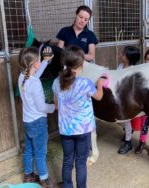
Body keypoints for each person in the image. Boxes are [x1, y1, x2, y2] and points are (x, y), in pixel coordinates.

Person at [52, 45, 104, 188]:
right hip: (83, 130)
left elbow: (56, 104)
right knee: (81, 162)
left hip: (65, 131)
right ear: (81, 65)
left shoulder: (56, 82)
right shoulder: (86, 83)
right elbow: (99, 97)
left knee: (68, 160)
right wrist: (100, 84)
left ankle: (67, 186)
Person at [18, 47, 55, 188]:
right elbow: (42, 107)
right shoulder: (35, 83)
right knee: (40, 152)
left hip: (27, 121)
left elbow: (34, 75)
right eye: (39, 59)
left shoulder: (22, 76)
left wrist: (45, 62)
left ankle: (28, 175)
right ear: (35, 63)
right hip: (38, 122)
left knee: (29, 150)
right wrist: (54, 107)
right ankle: (45, 180)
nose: (41, 60)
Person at [117, 46, 140, 154]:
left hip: (128, 100)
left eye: (123, 53)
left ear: (128, 58)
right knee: (121, 120)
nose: (121, 54)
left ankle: (128, 142)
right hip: (119, 98)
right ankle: (128, 132)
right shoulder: (120, 66)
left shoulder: (133, 71)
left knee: (125, 120)